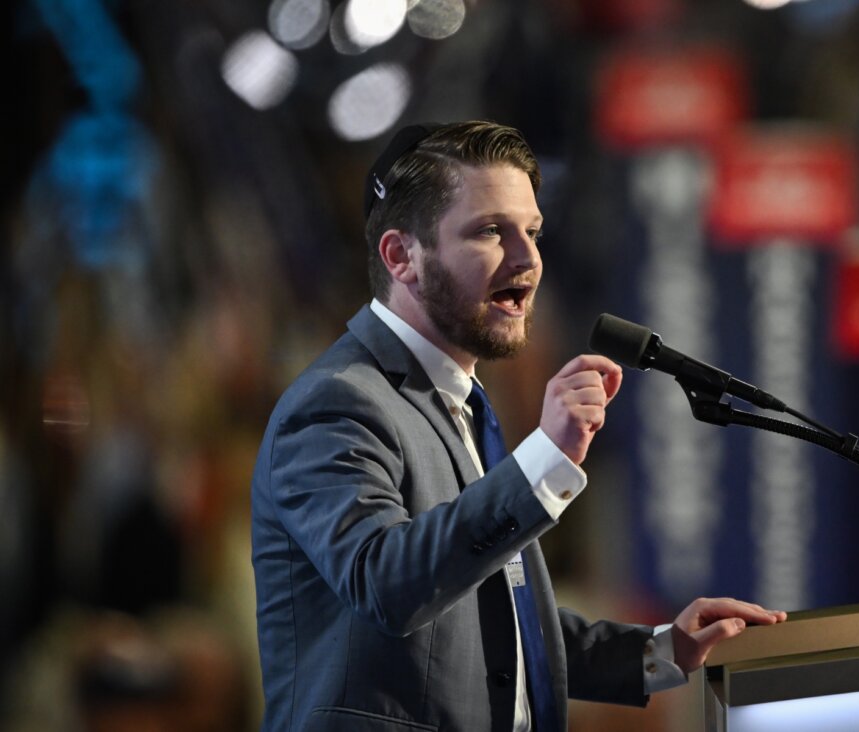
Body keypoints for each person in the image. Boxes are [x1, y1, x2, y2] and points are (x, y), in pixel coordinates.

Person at [250, 120, 786, 732]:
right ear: (402, 256)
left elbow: (492, 618)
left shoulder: (457, 401)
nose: (528, 259)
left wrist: (662, 651)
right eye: (489, 231)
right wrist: (542, 461)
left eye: (531, 231)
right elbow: (387, 583)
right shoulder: (336, 404)